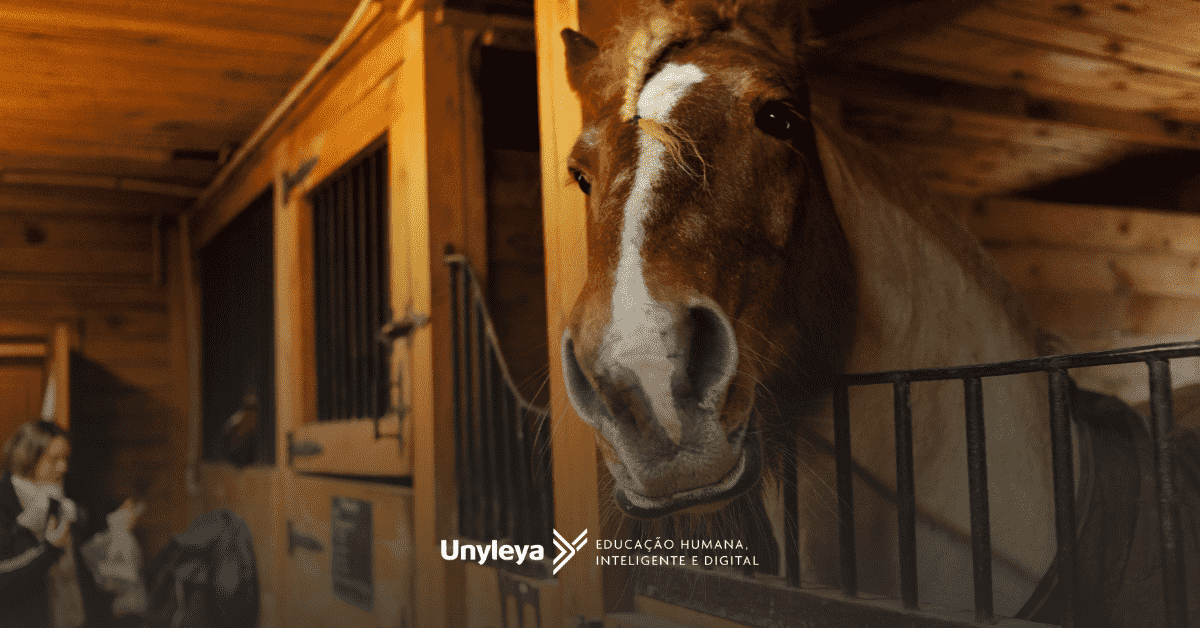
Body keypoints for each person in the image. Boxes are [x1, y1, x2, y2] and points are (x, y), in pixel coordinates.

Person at [0, 420, 143, 628]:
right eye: (54, 459)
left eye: (65, 458)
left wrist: (117, 520)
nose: (63, 467)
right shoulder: (5, 503)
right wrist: (50, 551)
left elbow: (88, 518)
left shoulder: (59, 497)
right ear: (29, 458)